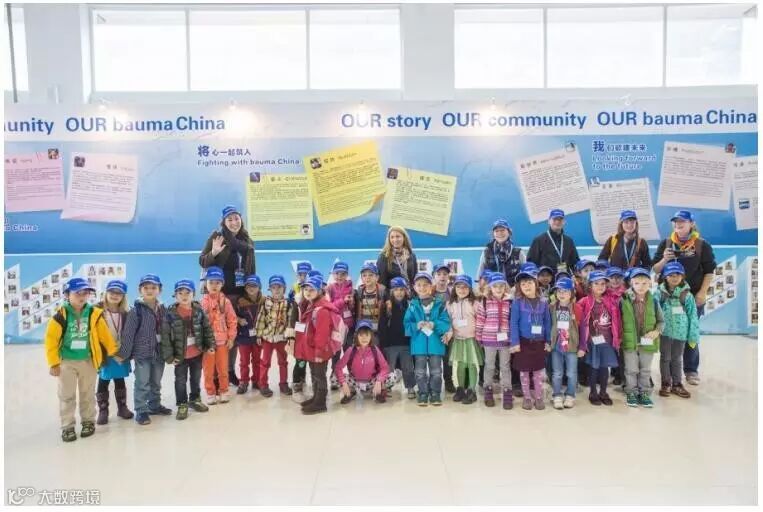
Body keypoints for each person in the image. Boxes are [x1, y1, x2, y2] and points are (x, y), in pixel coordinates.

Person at [45, 278, 118, 442]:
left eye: (85, 293)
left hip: (88, 361)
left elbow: (104, 335)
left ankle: (88, 422)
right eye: (77, 293)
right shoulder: (59, 316)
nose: (82, 296)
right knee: (66, 395)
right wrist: (53, 363)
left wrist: (113, 351)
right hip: (66, 362)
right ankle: (67, 426)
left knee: (87, 394)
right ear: (67, 295)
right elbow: (51, 341)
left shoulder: (93, 314)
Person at [652, 210, 715, 386]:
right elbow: (655, 269)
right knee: (667, 334)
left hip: (690, 297)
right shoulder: (666, 243)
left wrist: (702, 293)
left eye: (683, 221)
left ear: (691, 224)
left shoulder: (701, 245)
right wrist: (664, 260)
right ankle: (670, 371)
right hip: (667, 298)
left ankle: (691, 370)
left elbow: (709, 271)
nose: (678, 224)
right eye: (676, 221)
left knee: (689, 332)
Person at [199, 205, 256, 387]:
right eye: (229, 219)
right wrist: (214, 252)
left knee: (233, 336)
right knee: (217, 335)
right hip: (219, 295)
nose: (234, 222)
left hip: (238, 295)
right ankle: (215, 375)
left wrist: (250, 292)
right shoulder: (217, 237)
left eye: (236, 218)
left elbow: (251, 268)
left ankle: (229, 371)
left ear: (241, 220)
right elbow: (202, 261)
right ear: (224, 222)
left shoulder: (246, 240)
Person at [117, 274, 172, 425]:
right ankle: (141, 410)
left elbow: (169, 331)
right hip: (142, 354)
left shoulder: (163, 309)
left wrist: (171, 351)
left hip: (159, 353)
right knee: (142, 383)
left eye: (153, 287)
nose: (149, 290)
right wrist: (123, 354)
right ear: (140, 290)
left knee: (156, 381)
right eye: (146, 287)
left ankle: (154, 405)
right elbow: (128, 334)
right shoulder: (135, 311)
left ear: (160, 290)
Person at [161, 280, 215, 420]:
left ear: (194, 294)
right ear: (175, 295)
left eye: (187, 293)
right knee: (180, 380)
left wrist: (210, 345)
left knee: (196, 378)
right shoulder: (170, 313)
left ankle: (195, 399)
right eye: (180, 293)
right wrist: (169, 356)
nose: (184, 296)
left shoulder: (199, 311)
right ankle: (182, 404)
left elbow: (207, 329)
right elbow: (165, 336)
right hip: (180, 355)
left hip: (197, 353)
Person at [575, 271, 622, 407]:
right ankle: (593, 392)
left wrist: (618, 337)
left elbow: (617, 320)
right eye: (596, 283)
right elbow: (578, 321)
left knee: (604, 367)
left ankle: (603, 392)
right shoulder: (584, 301)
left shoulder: (611, 301)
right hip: (592, 341)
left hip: (607, 340)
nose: (600, 286)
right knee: (594, 367)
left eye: (603, 284)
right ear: (590, 285)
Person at [294, 275, 339, 415]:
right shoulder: (311, 305)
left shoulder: (322, 310)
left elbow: (322, 334)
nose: (308, 292)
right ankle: (316, 397)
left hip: (319, 351)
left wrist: (319, 353)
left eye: (312, 289)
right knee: (314, 374)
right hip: (312, 350)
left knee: (319, 375)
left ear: (320, 291)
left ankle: (320, 403)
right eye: (306, 289)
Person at [404, 272, 451, 407]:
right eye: (419, 285)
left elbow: (446, 323)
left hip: (436, 344)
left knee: (436, 371)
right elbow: (406, 325)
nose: (422, 288)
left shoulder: (439, 304)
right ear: (414, 287)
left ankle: (435, 393)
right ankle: (423, 393)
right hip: (418, 345)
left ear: (431, 286)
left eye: (425, 285)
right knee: (420, 372)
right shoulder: (412, 306)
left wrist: (434, 324)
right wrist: (416, 325)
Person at [510, 265, 552, 411]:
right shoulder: (517, 302)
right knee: (524, 372)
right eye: (523, 284)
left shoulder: (544, 302)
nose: (526, 286)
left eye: (529, 282)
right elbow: (513, 323)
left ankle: (538, 397)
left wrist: (548, 341)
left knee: (538, 372)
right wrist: (515, 342)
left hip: (539, 343)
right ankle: (527, 397)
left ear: (536, 283)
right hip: (523, 343)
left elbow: (547, 323)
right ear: (519, 287)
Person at [620, 267, 664, 408]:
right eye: (637, 283)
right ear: (631, 283)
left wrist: (657, 331)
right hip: (629, 341)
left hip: (648, 342)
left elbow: (661, 321)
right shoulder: (623, 300)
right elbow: (618, 320)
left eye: (644, 283)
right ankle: (631, 392)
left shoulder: (654, 301)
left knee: (645, 369)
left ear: (650, 283)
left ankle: (644, 392)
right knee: (631, 369)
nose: (641, 286)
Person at [95, 280, 134, 425]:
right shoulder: (97, 311)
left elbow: (129, 334)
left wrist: (124, 352)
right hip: (105, 352)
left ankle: (122, 407)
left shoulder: (126, 313)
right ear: (106, 293)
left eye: (119, 293)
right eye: (112, 292)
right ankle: (103, 410)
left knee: (119, 379)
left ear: (123, 296)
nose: (115, 295)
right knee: (103, 380)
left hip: (120, 352)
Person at [657, 262, 698, 399]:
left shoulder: (687, 295)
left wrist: (693, 336)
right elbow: (653, 312)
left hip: (681, 334)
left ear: (682, 276)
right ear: (665, 277)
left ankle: (677, 384)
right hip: (664, 333)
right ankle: (665, 383)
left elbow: (693, 316)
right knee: (665, 358)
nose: (674, 278)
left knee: (677, 358)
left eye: (677, 275)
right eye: (671, 275)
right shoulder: (659, 294)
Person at [200, 267, 238, 405]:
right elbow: (198, 324)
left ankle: (224, 390)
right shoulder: (202, 303)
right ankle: (210, 392)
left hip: (222, 342)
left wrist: (231, 338)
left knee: (223, 369)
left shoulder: (226, 302)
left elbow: (232, 320)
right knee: (208, 370)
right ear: (206, 284)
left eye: (217, 282)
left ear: (222, 284)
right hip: (208, 343)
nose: (214, 285)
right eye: (211, 282)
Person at [476, 272, 513, 409]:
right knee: (489, 366)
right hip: (489, 339)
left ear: (505, 287)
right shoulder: (485, 302)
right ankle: (488, 389)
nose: (498, 289)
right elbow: (480, 320)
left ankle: (507, 391)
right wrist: (478, 337)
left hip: (505, 340)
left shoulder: (510, 302)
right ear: (490, 287)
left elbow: (512, 321)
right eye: (495, 286)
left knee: (505, 366)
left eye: (501, 286)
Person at [445, 274, 483, 405]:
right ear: (454, 288)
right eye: (459, 287)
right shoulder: (450, 304)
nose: (462, 290)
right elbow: (448, 321)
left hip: (471, 339)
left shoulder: (475, 303)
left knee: (471, 364)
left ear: (470, 289)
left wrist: (480, 335)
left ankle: (471, 390)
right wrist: (449, 332)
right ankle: (460, 388)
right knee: (460, 364)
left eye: (465, 287)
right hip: (457, 340)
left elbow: (480, 320)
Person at [334, 320, 392, 404]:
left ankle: (378, 392)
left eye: (367, 335)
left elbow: (385, 368)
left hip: (371, 382)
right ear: (356, 336)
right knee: (333, 377)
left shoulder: (375, 350)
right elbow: (338, 368)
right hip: (354, 382)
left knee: (392, 376)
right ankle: (351, 391)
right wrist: (344, 383)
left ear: (371, 336)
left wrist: (379, 380)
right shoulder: (351, 350)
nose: (364, 338)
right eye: (361, 335)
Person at [255, 274, 292, 398]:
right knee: (265, 362)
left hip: (281, 339)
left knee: (283, 362)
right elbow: (261, 319)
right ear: (270, 289)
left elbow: (290, 322)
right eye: (273, 287)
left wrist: (290, 337)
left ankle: (283, 383)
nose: (276, 290)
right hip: (268, 338)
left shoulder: (288, 304)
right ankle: (263, 384)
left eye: (279, 287)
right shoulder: (266, 303)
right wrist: (259, 335)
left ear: (284, 289)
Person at [548, 277, 583, 409]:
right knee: (557, 373)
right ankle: (557, 395)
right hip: (556, 346)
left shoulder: (577, 308)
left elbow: (583, 328)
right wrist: (548, 342)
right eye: (559, 291)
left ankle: (570, 395)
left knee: (571, 373)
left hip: (572, 346)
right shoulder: (551, 307)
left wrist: (582, 346)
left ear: (572, 293)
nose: (562, 294)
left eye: (565, 291)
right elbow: (548, 326)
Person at [379, 277, 416, 399]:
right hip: (390, 344)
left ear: (405, 291)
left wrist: (412, 341)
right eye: (396, 290)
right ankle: (387, 386)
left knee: (408, 367)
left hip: (406, 343)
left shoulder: (410, 305)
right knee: (389, 367)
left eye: (401, 289)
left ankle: (410, 387)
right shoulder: (386, 306)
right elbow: (382, 325)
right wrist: (383, 344)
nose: (399, 292)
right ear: (391, 291)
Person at [327, 261, 356, 388]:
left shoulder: (352, 288)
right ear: (333, 274)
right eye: (337, 273)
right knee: (336, 354)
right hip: (336, 327)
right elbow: (329, 306)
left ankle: (352, 377)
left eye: (343, 274)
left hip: (349, 327)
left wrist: (351, 303)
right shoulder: (329, 288)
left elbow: (354, 308)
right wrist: (342, 301)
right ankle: (335, 377)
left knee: (349, 352)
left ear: (347, 275)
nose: (340, 276)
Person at [234, 275, 264, 394]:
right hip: (244, 337)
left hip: (258, 337)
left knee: (257, 361)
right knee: (244, 361)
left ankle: (256, 381)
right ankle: (244, 382)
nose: (251, 288)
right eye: (248, 286)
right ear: (245, 288)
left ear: (259, 287)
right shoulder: (240, 301)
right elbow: (231, 315)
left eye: (254, 286)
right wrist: (238, 320)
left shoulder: (264, 300)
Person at [527, 209, 581, 274]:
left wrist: (576, 276)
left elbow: (575, 263)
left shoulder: (569, 241)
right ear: (549, 221)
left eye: (560, 219)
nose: (557, 222)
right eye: (555, 219)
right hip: (546, 278)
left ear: (564, 222)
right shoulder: (539, 240)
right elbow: (531, 263)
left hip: (564, 277)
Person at [477, 219, 526, 287]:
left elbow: (525, 275)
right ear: (493, 234)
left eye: (502, 230)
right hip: (493, 290)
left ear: (509, 232)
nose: (500, 233)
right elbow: (480, 275)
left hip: (513, 290)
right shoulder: (486, 252)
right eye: (496, 231)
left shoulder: (519, 252)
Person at [287, 261, 312, 392]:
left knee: (311, 358)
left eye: (305, 274)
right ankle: (297, 380)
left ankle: (309, 379)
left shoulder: (316, 294)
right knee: (300, 359)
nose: (302, 277)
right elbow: (292, 316)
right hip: (299, 333)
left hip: (312, 333)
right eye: (300, 274)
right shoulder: (294, 294)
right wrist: (291, 335)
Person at [432, 263, 455, 393]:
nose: (442, 277)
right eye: (439, 274)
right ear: (434, 276)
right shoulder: (429, 292)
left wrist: (450, 330)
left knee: (448, 359)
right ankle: (434, 382)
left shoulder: (452, 293)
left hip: (448, 332)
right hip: (433, 331)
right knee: (434, 360)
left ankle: (449, 381)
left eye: (445, 274)